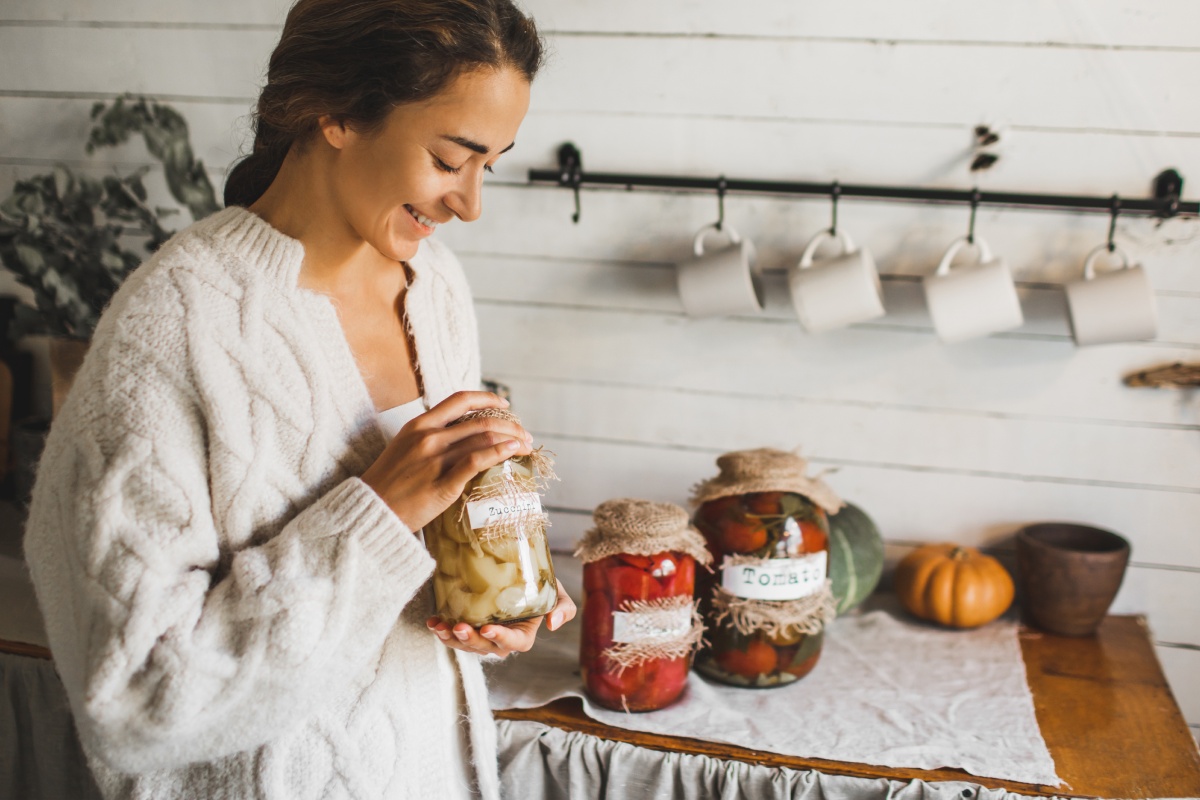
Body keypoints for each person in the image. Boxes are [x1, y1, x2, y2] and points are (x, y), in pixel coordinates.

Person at [22, 1, 575, 798]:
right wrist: (375, 515)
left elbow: (414, 561)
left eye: (491, 163)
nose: (470, 203)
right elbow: (135, 698)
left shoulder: (437, 289)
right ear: (336, 112)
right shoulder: (177, 320)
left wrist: (493, 583)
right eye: (452, 158)